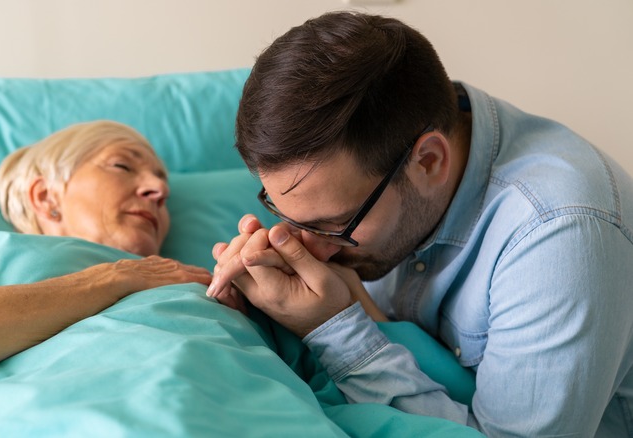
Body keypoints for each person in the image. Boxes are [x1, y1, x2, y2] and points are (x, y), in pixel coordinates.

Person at [208, 11, 633, 437]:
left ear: (429, 161)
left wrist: (334, 331)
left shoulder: (560, 236)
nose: (311, 248)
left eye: (335, 223)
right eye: (284, 214)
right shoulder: (384, 158)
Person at [0, 120, 212, 394]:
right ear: (46, 196)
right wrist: (113, 278)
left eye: (162, 184)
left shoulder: (199, 282)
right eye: (122, 165)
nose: (159, 190)